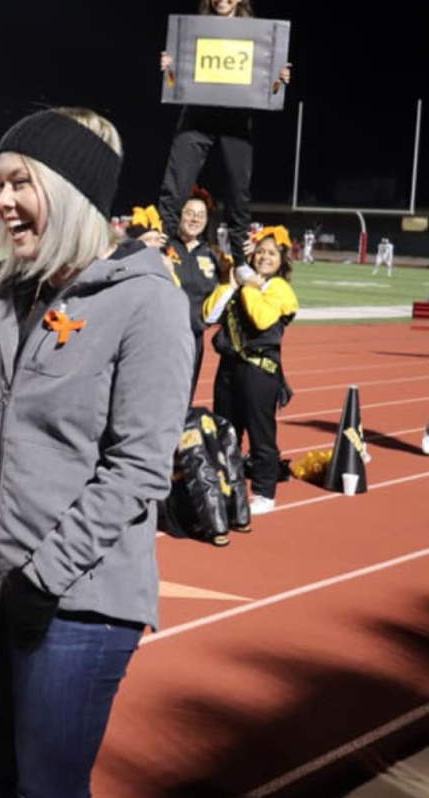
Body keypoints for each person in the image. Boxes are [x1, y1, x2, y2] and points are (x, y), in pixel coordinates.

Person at [0, 107, 193, 798]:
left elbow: (138, 469)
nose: (0, 201)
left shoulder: (148, 302)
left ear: (69, 187)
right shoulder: (11, 292)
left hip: (76, 605)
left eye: (19, 182)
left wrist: (43, 577)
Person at [157, 0, 292, 263]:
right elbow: (174, 81)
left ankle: (241, 261)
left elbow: (270, 89)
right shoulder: (194, 30)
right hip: (197, 116)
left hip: (235, 119)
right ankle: (160, 251)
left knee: (238, 191)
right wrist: (169, 69)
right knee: (175, 186)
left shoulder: (257, 34)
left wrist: (278, 80)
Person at [203, 225, 299, 515]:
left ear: (282, 259)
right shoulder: (243, 281)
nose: (264, 257)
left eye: (272, 253)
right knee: (225, 432)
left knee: (261, 435)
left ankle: (264, 492)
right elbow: (209, 314)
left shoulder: (280, 289)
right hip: (229, 370)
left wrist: (248, 286)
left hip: (259, 373)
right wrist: (232, 284)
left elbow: (260, 319)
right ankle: (226, 486)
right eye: (260, 252)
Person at [165, 193, 226, 396]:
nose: (195, 219)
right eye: (189, 213)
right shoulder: (165, 247)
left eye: (200, 215)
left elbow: (235, 280)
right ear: (179, 216)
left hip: (193, 340)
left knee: (185, 396)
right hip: (162, 336)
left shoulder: (212, 253)